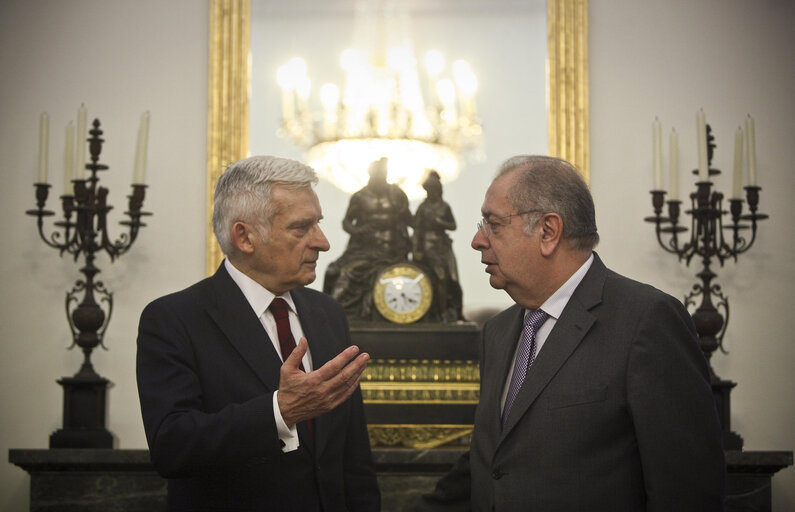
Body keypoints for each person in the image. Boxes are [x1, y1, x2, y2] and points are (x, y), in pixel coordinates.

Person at [415, 155, 726, 511]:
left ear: (548, 232)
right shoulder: (496, 332)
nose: (476, 240)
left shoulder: (647, 321)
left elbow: (688, 492)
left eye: (493, 225)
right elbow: (494, 462)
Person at [137, 156, 381, 511]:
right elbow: (172, 448)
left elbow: (353, 457)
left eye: (319, 224)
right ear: (245, 236)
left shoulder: (327, 313)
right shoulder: (174, 319)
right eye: (301, 228)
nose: (323, 243)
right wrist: (278, 412)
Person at [323, 157, 412, 320]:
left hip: (392, 251)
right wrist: (358, 230)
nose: (381, 178)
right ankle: (332, 317)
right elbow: (347, 222)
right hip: (364, 250)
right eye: (378, 175)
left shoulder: (396, 194)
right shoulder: (360, 196)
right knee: (335, 272)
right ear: (371, 175)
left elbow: (410, 220)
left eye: (383, 175)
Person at [412, 170, 464, 322]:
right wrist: (417, 250)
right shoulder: (423, 208)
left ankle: (457, 312)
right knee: (439, 278)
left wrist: (439, 222)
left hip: (444, 246)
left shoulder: (444, 206)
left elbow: (453, 225)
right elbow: (417, 230)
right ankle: (441, 315)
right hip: (429, 246)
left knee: (453, 279)